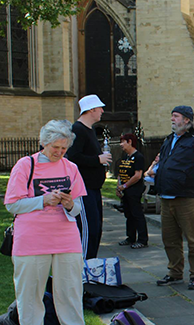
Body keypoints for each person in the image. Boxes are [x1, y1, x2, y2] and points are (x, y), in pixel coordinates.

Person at [4, 120, 87, 325]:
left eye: (64, 148)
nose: (59, 152)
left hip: (66, 240)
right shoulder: (26, 164)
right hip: (32, 240)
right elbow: (12, 204)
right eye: (55, 147)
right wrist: (43, 200)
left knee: (71, 295)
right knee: (30, 298)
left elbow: (77, 209)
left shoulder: (71, 167)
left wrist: (68, 204)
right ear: (44, 143)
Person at [155, 105, 194, 290]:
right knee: (169, 239)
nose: (172, 119)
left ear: (187, 120)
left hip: (186, 197)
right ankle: (175, 272)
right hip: (166, 197)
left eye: (176, 116)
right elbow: (163, 161)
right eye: (172, 116)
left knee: (193, 239)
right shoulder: (169, 139)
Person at [66, 94, 112, 259]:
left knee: (96, 229)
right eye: (99, 108)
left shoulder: (89, 130)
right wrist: (97, 160)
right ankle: (83, 269)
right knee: (88, 229)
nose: (102, 111)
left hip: (93, 188)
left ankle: (91, 265)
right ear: (91, 109)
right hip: (83, 190)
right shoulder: (77, 130)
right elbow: (73, 158)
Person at [116, 133, 149, 249]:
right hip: (125, 190)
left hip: (134, 190)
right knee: (128, 214)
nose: (121, 145)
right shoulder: (125, 157)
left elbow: (137, 176)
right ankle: (130, 237)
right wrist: (118, 186)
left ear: (130, 142)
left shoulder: (138, 157)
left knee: (137, 214)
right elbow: (121, 173)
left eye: (123, 142)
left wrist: (125, 186)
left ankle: (142, 239)